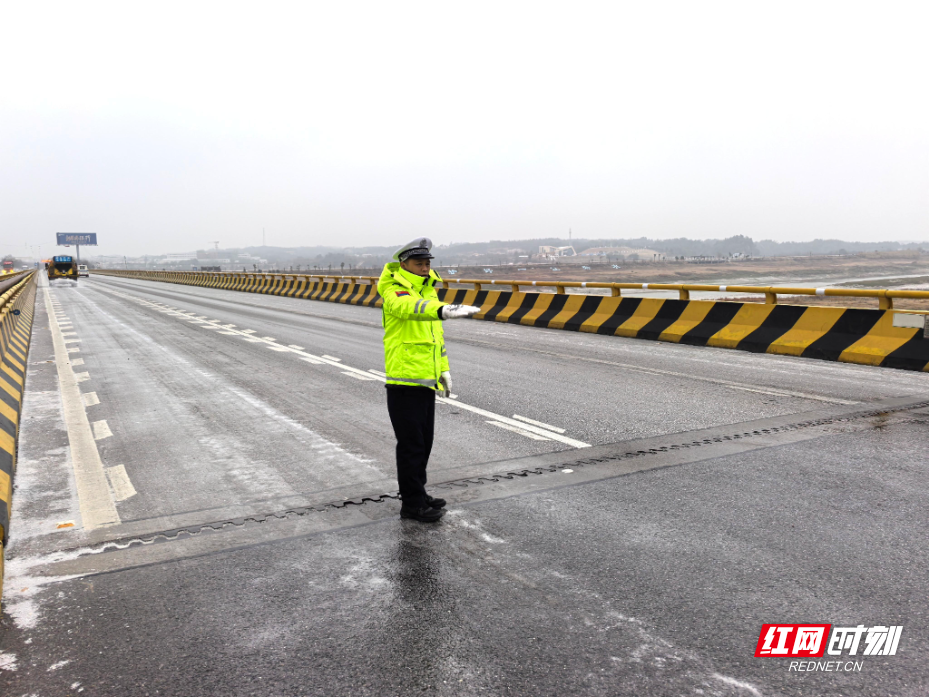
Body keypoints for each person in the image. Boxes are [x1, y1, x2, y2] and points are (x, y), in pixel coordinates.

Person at [377, 238, 479, 522]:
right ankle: (411, 505)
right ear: (403, 264)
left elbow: (436, 339)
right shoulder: (394, 289)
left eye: (427, 263)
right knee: (411, 446)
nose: (424, 268)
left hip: (425, 380)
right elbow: (409, 308)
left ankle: (418, 493)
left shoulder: (428, 292)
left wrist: (444, 369)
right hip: (404, 381)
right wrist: (442, 310)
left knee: (425, 443)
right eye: (419, 264)